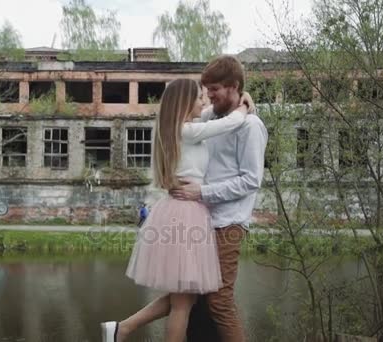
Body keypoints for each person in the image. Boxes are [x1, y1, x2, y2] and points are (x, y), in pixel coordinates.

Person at [100, 78, 254, 342]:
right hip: (187, 214)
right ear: (185, 103)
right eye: (199, 97)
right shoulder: (187, 131)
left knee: (184, 297)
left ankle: (121, 329)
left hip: (179, 211)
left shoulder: (176, 128)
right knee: (183, 304)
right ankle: (121, 329)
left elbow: (208, 116)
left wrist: (236, 100)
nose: (204, 102)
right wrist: (244, 107)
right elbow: (227, 122)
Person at [172, 55, 268, 342]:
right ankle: (123, 328)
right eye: (206, 90)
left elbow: (252, 181)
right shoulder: (209, 117)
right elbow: (179, 121)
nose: (208, 96)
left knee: (219, 300)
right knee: (188, 296)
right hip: (201, 220)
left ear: (233, 86)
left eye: (214, 89)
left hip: (228, 223)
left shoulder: (251, 127)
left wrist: (202, 192)